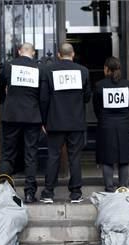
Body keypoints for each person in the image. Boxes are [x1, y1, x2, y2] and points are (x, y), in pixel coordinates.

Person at [39, 43, 91, 203]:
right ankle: (76, 193)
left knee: (53, 156)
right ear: (73, 54)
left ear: (58, 55)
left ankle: (48, 193)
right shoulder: (83, 71)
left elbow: (44, 98)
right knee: (74, 157)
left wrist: (44, 120)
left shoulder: (49, 71)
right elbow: (87, 96)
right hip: (76, 122)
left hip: (55, 122)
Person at [0, 43, 42, 203]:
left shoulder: (9, 66)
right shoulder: (38, 68)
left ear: (19, 52)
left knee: (8, 153)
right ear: (33, 53)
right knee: (31, 155)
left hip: (11, 115)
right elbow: (43, 95)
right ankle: (29, 193)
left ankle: (3, 191)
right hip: (32, 116)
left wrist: (6, 100)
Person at [92, 56, 129, 192]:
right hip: (124, 124)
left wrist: (104, 117)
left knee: (107, 157)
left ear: (106, 69)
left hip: (106, 124)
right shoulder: (128, 85)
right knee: (124, 157)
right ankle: (123, 186)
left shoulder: (99, 86)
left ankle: (109, 187)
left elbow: (96, 108)